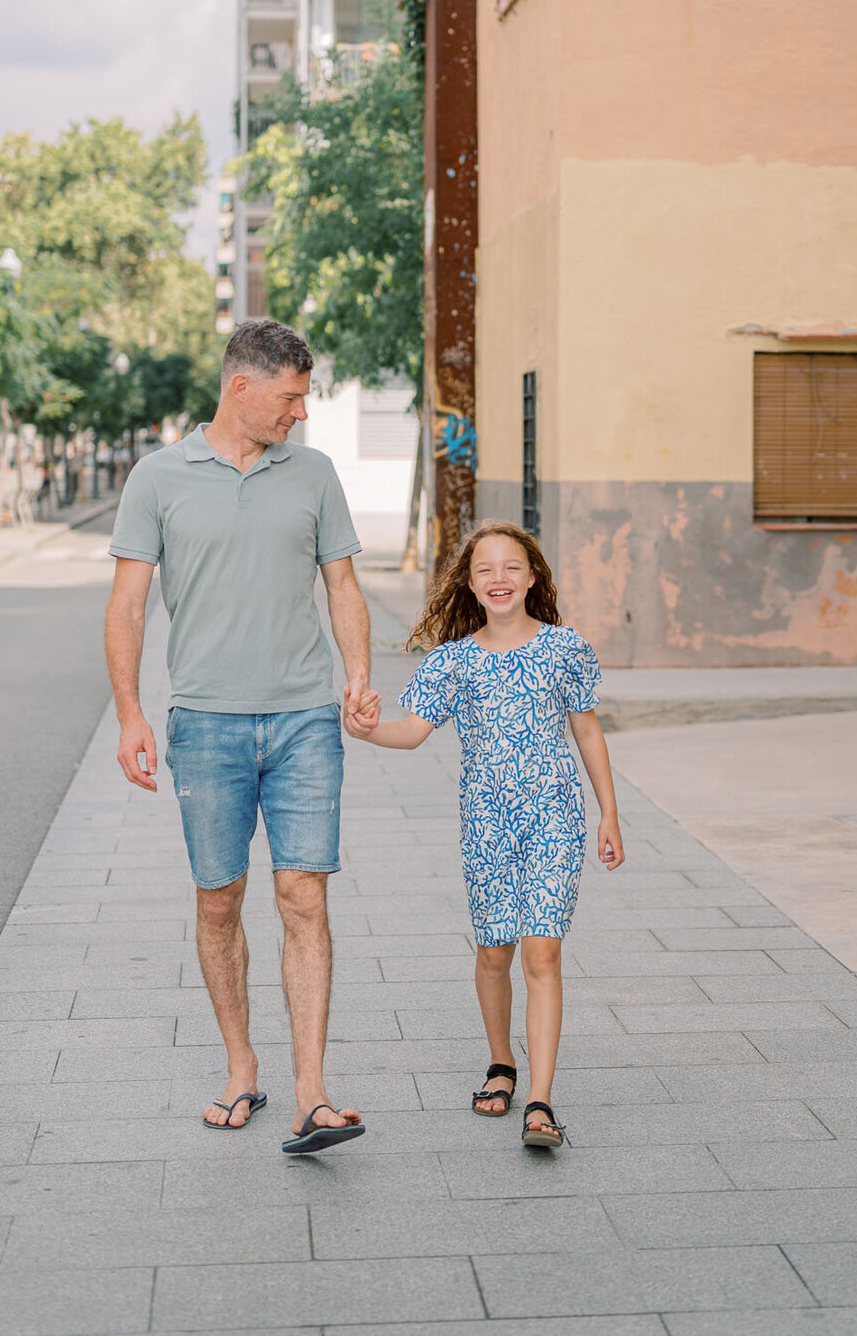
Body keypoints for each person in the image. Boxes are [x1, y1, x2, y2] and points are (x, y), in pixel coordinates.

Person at [104, 317, 378, 1154]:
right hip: (206, 724)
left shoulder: (316, 473)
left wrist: (357, 674)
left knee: (305, 895)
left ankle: (312, 1093)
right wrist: (130, 713)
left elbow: (344, 585)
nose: (301, 412)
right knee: (219, 898)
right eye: (291, 398)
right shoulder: (158, 477)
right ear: (242, 388)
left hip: (303, 720)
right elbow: (125, 605)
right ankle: (240, 1067)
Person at [345, 520, 625, 1148]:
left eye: (511, 568)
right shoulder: (453, 661)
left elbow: (587, 732)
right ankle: (502, 1061)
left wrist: (609, 813)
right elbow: (413, 730)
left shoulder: (566, 649)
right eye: (484, 570)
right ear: (469, 585)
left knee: (542, 951)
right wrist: (366, 729)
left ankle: (541, 1101)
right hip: (486, 824)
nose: (498, 579)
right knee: (495, 950)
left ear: (532, 578)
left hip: (555, 816)